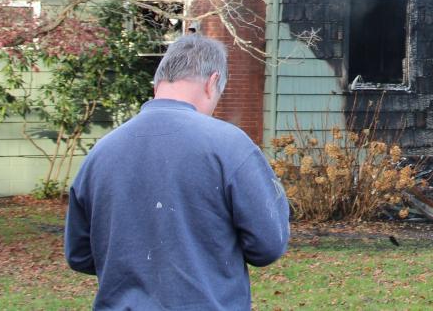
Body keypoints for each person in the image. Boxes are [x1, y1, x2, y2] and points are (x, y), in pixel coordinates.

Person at [66, 35, 290, 309]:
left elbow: (79, 254)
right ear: (212, 82)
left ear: (158, 83)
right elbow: (268, 245)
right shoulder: (230, 146)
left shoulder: (100, 153)